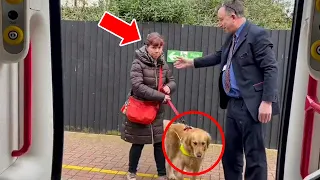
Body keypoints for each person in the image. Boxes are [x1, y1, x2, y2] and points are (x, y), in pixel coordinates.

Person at [173, 1, 279, 180]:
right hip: (233, 104)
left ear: (233, 17)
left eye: (221, 20)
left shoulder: (256, 35)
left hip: (252, 105)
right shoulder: (232, 36)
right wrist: (191, 62)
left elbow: (271, 68)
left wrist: (267, 102)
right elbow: (218, 55)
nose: (219, 24)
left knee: (254, 156)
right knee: (230, 154)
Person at [121, 32, 176, 180]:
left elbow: (171, 80)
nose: (157, 51)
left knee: (159, 144)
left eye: (160, 47)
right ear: (147, 46)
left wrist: (169, 87)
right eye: (154, 47)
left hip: (157, 111)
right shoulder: (137, 63)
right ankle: (131, 172)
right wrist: (161, 96)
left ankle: (162, 174)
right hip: (141, 109)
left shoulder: (163, 64)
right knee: (138, 143)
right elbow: (138, 87)